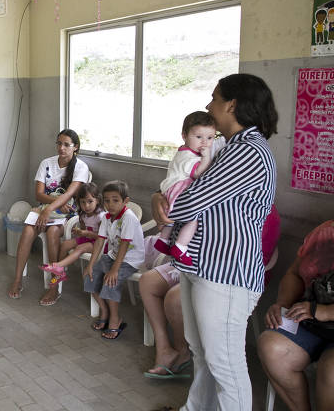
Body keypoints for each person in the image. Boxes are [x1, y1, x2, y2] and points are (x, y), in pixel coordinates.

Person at [153, 73, 278, 411]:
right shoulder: (227, 147)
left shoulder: (248, 152)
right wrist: (159, 194)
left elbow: (189, 201)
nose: (208, 105)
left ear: (232, 105)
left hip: (227, 273)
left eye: (214, 98)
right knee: (203, 354)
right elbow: (183, 184)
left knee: (225, 363)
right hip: (202, 265)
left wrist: (161, 197)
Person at [141, 205, 281, 380]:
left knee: (174, 299)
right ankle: (164, 348)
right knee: (147, 282)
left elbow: (248, 260)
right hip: (197, 260)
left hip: (228, 275)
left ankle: (182, 351)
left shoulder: (262, 212)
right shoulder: (216, 197)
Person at [7, 129, 90, 306]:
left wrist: (50, 208)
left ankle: (54, 286)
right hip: (47, 208)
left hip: (69, 212)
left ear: (75, 147)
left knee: (52, 232)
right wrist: (50, 207)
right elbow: (38, 194)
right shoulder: (46, 163)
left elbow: (70, 195)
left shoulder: (80, 167)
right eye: (59, 143)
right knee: (28, 231)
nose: (62, 148)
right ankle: (17, 280)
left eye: (67, 144)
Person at [258, 219, 334, 411]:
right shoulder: (325, 232)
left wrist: (322, 311)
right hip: (311, 320)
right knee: (271, 346)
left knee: (331, 369)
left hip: (317, 313)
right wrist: (282, 304)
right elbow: (295, 273)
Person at [83, 180, 145, 339]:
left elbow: (124, 245)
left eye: (115, 200)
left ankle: (115, 320)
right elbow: (100, 240)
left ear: (125, 201)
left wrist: (114, 270)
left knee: (111, 281)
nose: (110, 204)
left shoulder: (128, 218)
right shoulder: (106, 217)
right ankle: (104, 310)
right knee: (91, 276)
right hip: (113, 256)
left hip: (130, 259)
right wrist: (90, 265)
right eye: (107, 200)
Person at [153, 111, 217, 265]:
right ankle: (180, 246)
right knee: (193, 218)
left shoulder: (184, 151)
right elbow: (197, 173)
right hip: (179, 189)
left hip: (171, 189)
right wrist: (207, 157)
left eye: (210, 138)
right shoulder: (189, 156)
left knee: (172, 218)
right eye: (198, 137)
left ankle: (163, 239)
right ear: (184, 136)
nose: (205, 143)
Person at [39, 182, 104, 283]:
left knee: (79, 248)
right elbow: (83, 230)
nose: (86, 206)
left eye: (90, 201)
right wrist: (79, 232)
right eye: (83, 202)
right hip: (87, 239)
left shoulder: (100, 217)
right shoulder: (83, 215)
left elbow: (102, 237)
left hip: (99, 243)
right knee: (65, 244)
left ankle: (57, 266)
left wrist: (86, 233)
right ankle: (60, 272)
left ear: (98, 200)